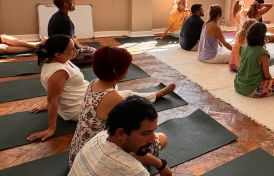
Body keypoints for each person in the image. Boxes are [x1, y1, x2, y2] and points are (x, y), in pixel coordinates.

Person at [61, 96, 217, 176]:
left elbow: (133, 154)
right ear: (121, 133)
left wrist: (160, 165)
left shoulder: (101, 137)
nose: (153, 139)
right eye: (145, 133)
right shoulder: (128, 171)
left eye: (153, 131)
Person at [27, 35, 174, 141]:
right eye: (71, 49)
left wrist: (49, 103)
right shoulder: (58, 71)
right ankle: (157, 95)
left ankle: (156, 95)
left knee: (123, 92)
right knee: (126, 99)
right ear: (58, 54)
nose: (75, 51)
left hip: (85, 96)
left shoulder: (59, 61)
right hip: (77, 108)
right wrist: (51, 127)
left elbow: (58, 93)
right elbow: (54, 98)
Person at [68, 46, 176, 175]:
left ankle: (157, 94)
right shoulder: (114, 99)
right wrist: (160, 164)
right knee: (162, 139)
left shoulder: (93, 83)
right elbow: (128, 143)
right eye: (127, 66)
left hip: (77, 155)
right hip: (93, 163)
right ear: (115, 70)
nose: (128, 69)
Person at [234, 22, 274, 98]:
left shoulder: (244, 47)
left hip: (238, 85)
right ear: (261, 36)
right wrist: (271, 80)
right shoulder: (262, 53)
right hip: (252, 90)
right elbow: (267, 76)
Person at [48, 0, 96, 64]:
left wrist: (83, 47)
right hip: (63, 53)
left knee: (92, 49)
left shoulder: (56, 16)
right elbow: (71, 44)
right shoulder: (65, 21)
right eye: (72, 1)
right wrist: (85, 48)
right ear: (66, 4)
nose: (74, 3)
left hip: (57, 50)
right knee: (97, 55)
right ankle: (68, 61)